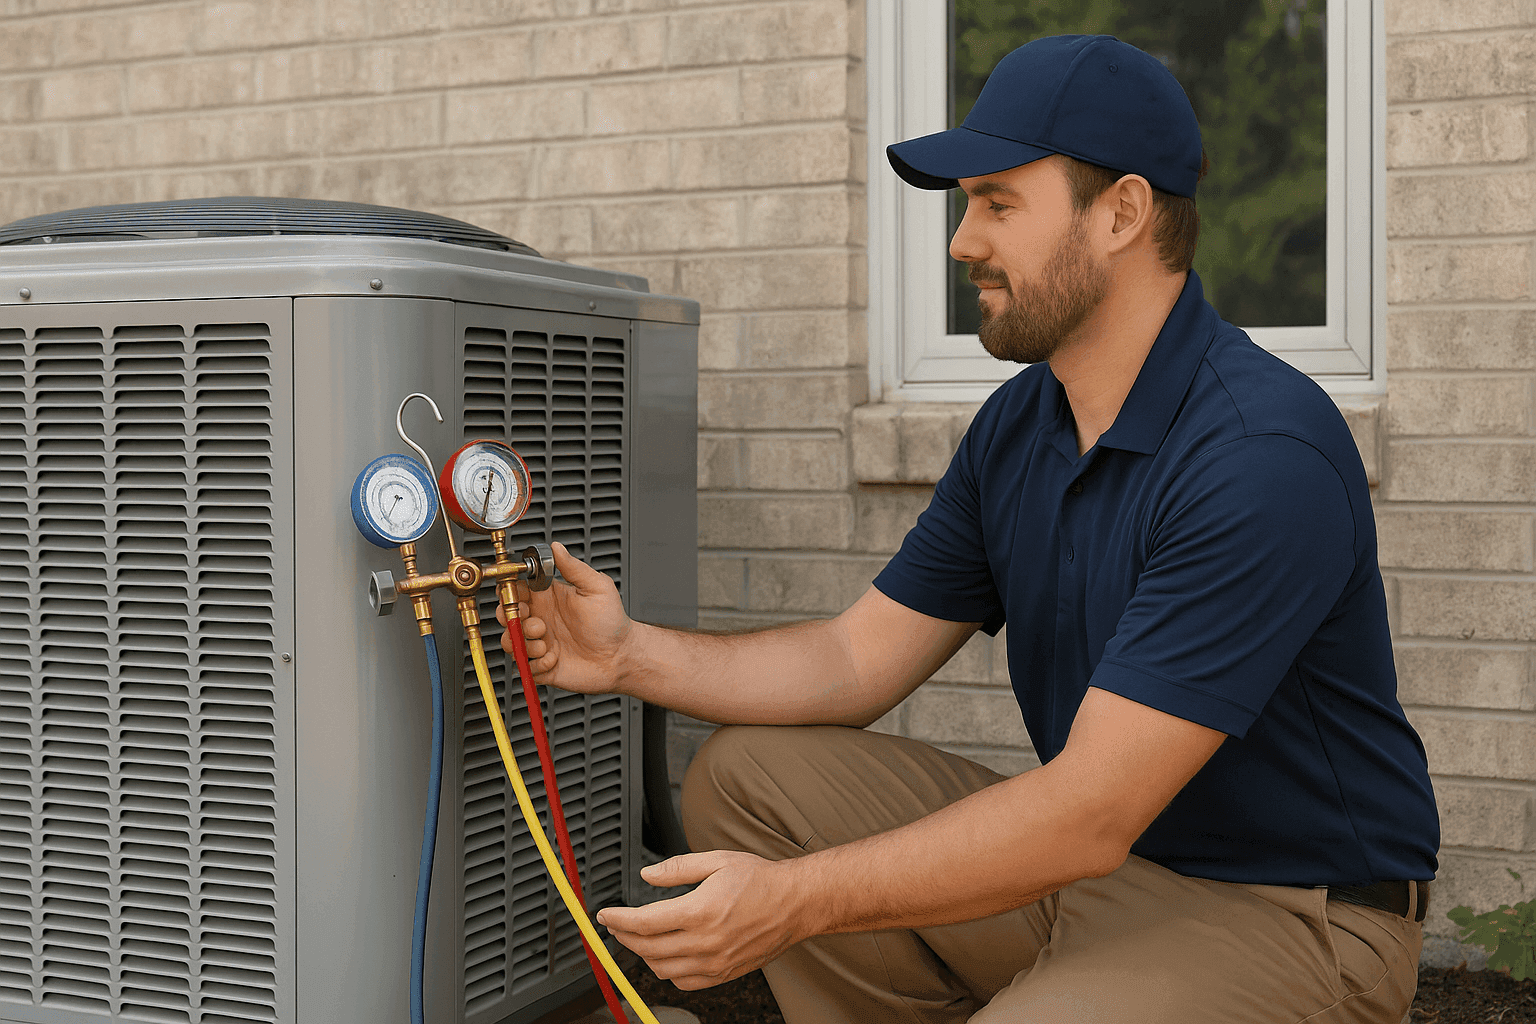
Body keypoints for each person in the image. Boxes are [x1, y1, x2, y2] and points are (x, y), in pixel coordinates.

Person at [498, 34, 1438, 1024]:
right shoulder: (1024, 423)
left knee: (895, 873)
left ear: (1122, 212)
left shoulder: (1258, 454)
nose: (961, 241)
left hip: (1295, 918)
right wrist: (630, 653)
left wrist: (789, 901)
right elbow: (854, 658)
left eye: (998, 202)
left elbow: (1086, 812)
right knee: (750, 773)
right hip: (1105, 874)